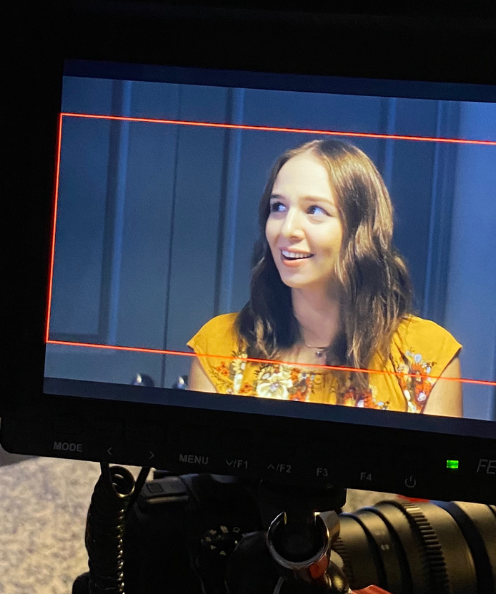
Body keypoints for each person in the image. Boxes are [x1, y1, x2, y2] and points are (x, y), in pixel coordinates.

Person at [188, 138, 463, 416]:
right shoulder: (221, 346)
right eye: (278, 207)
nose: (287, 230)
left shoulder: (427, 355)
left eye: (314, 210)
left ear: (360, 231)